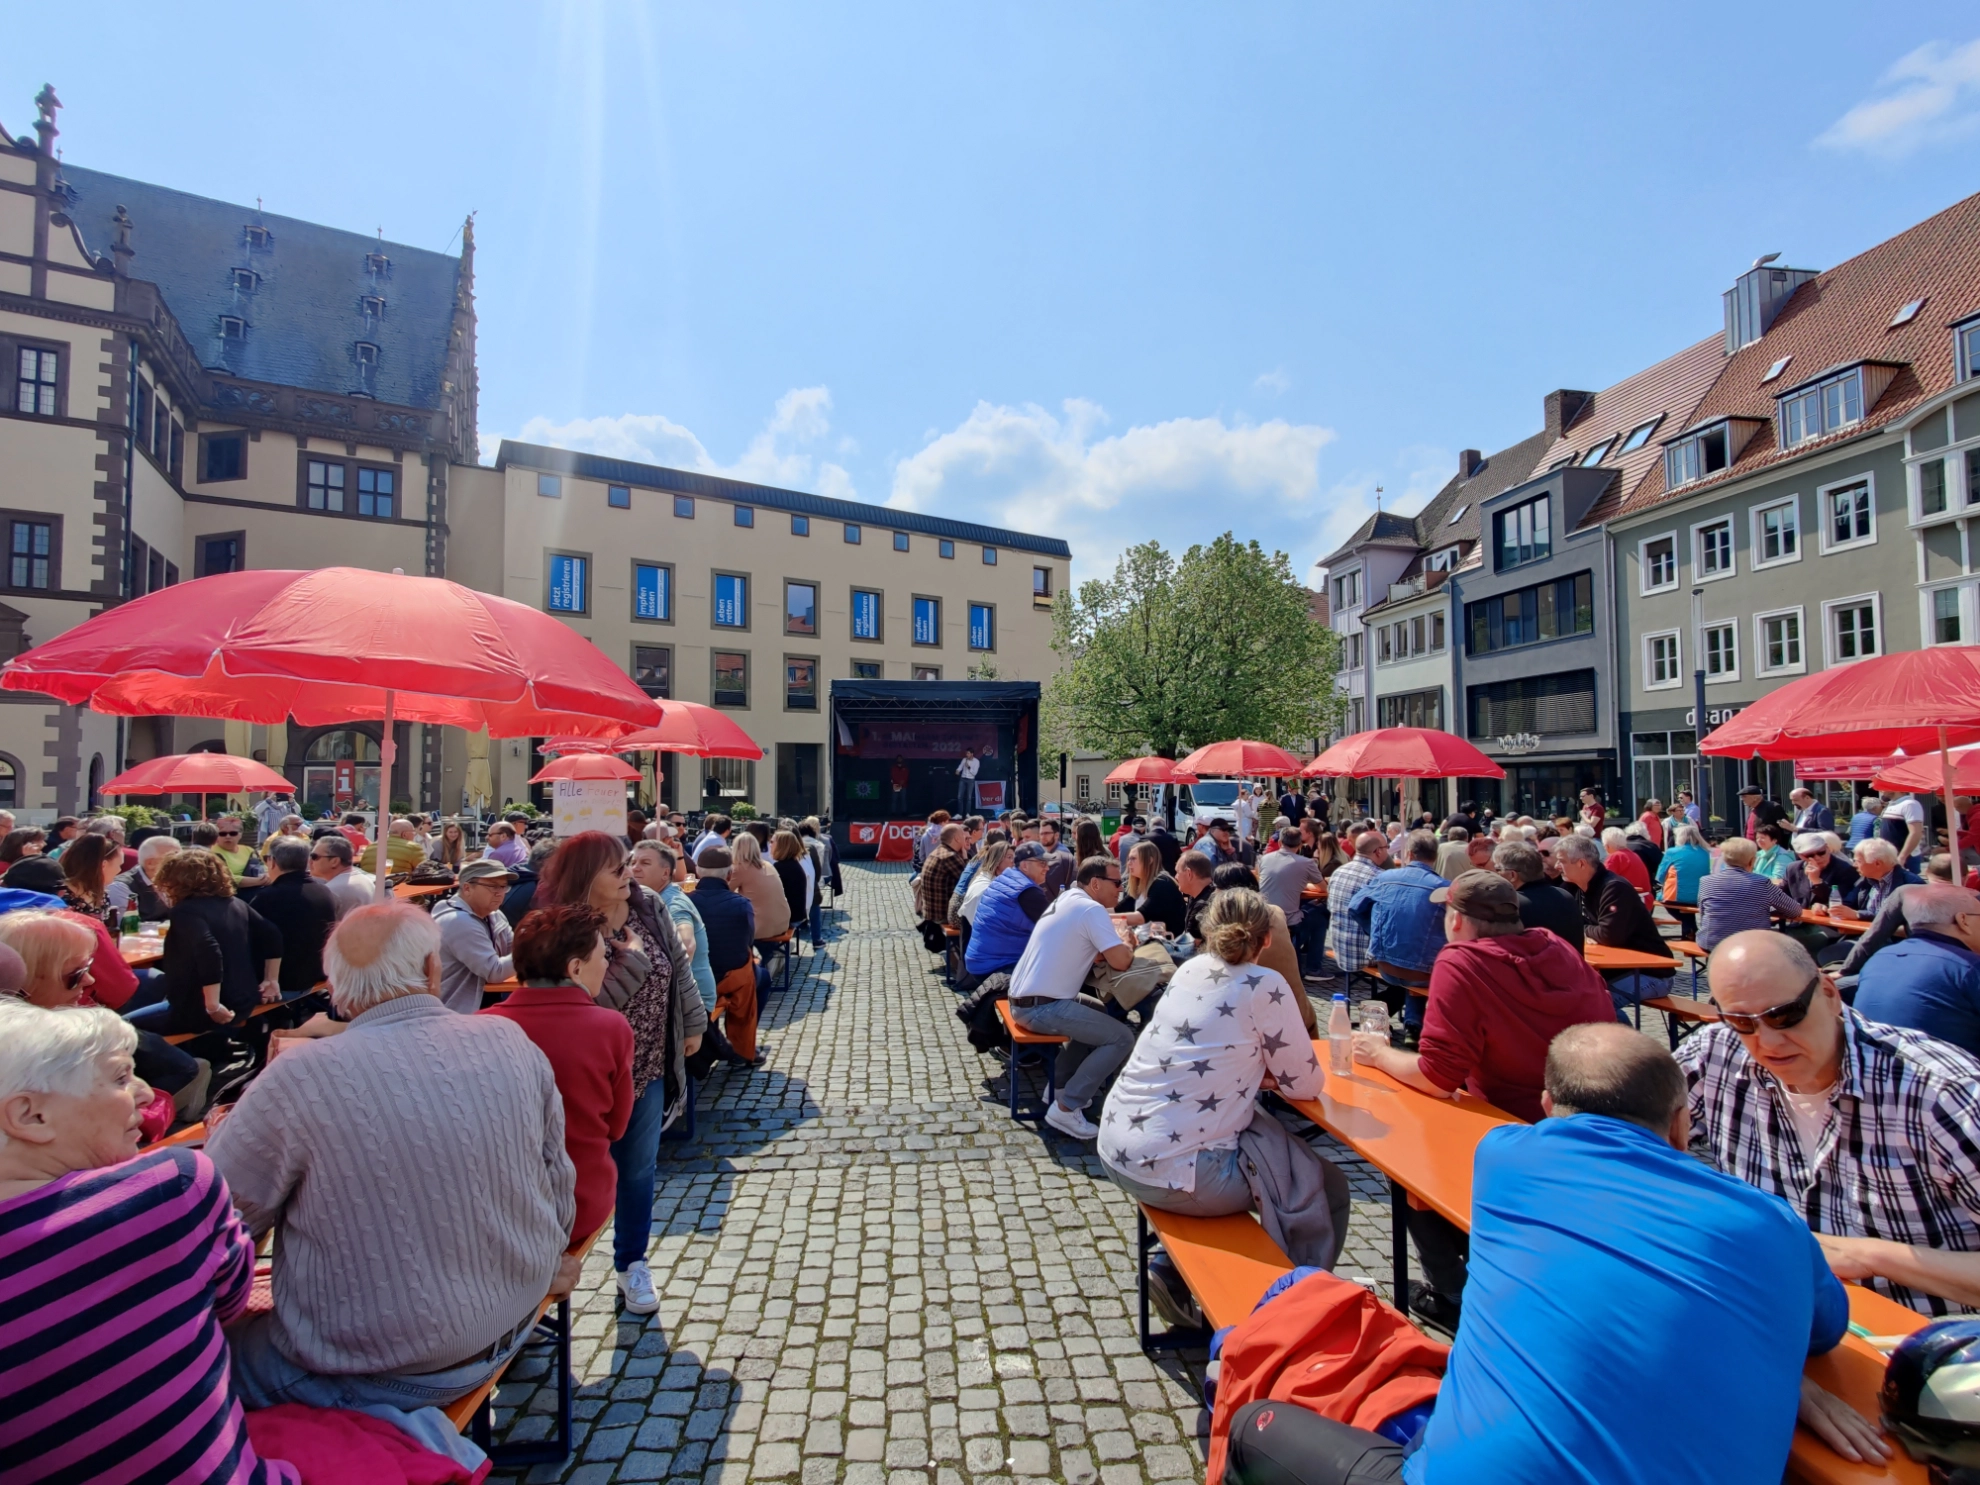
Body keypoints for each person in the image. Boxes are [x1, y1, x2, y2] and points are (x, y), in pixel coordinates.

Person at [1228, 1021, 1874, 1483]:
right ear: (1681, 1122)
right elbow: (1825, 1330)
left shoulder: (1506, 1155)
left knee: (1254, 1426)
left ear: (1544, 1106)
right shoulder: (1771, 1222)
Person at [206, 904, 578, 1408]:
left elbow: (210, 1226)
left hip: (378, 1367)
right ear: (431, 969)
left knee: (176, 1369)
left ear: (335, 987)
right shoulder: (507, 1038)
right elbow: (558, 1181)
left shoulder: (300, 1076)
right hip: (512, 1317)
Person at [0, 999, 304, 1484]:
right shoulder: (172, 1188)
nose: (145, 1093)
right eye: (122, 1078)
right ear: (31, 1116)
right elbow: (231, 1302)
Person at [1351, 870, 1614, 1327]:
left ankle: (1452, 1293)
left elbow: (1438, 1076)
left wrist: (1377, 1054)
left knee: (1409, 1163)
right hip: (1592, 1124)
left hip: (1507, 1126)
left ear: (1456, 919)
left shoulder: (1461, 961)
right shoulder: (1557, 946)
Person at [1683, 931, 1980, 1318]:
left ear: (1829, 993)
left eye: (1784, 1014)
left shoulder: (1941, 1092)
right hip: (1779, 1322)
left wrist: (1867, 1256)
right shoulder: (1716, 1052)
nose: (1768, 1042)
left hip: (1922, 1341)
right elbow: (1620, 1150)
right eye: (1742, 1022)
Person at [1100, 887, 1346, 1320]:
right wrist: (1266, 1068)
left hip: (1117, 1144)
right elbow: (1305, 1084)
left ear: (1208, 930)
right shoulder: (1264, 985)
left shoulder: (1190, 969)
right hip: (1176, 1172)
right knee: (1325, 1183)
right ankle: (1294, 1311)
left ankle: (1170, 1268)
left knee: (1256, 1133)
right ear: (1267, 939)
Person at [532, 833, 705, 1312]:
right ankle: (543, 1267)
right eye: (618, 869)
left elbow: (677, 967)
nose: (630, 874)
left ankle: (632, 1263)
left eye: (629, 864)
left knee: (638, 1169)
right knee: (565, 1172)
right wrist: (632, 963)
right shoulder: (561, 926)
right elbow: (576, 1008)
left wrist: (692, 1021)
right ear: (587, 878)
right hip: (584, 1072)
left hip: (647, 1061)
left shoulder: (647, 904)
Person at [479, 902, 634, 1251]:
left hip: (501, 1209)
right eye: (603, 956)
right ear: (576, 968)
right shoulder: (609, 1028)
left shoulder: (479, 1026)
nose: (606, 963)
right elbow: (616, 1126)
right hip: (578, 1200)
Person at [0, 909, 210, 1121]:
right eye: (76, 975)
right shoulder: (53, 1054)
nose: (89, 980)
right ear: (23, 981)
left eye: (88, 968)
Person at [1005, 856, 1138, 1141]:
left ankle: (1058, 1088)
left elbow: (1094, 951)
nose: (1121, 889)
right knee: (1122, 1038)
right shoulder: (1091, 909)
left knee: (1099, 1012)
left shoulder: (1067, 899)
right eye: (1117, 883)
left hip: (1026, 999)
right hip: (1040, 1007)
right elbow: (1121, 961)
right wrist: (1126, 940)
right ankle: (1067, 1107)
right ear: (1096, 883)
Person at [154, 848, 284, 1034]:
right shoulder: (236, 903)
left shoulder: (185, 910)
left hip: (204, 1009)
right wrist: (271, 979)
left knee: (126, 1026)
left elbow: (208, 950)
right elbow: (273, 934)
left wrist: (213, 1005)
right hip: (243, 999)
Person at [1851, 886, 1980, 1058]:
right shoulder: (1968, 967)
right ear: (1963, 920)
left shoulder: (1880, 957)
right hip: (1945, 1071)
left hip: (1871, 1065)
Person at [1553, 832, 1672, 1015]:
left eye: (1561, 861)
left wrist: (1582, 930)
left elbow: (1609, 935)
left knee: (1595, 1005)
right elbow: (1562, 923)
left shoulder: (1614, 887)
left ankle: (1623, 1034)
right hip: (1617, 971)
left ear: (1581, 863)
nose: (1556, 866)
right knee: (1571, 996)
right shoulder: (1574, 887)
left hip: (1650, 973)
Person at [1345, 830, 1446, 1035]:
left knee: (1409, 970)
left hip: (1386, 964)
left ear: (1408, 854)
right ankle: (1413, 1024)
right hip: (1422, 971)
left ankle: (1411, 1023)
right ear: (1436, 857)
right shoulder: (1444, 888)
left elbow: (1355, 907)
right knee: (1420, 967)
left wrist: (1376, 932)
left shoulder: (1385, 877)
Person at [686, 846, 764, 1069]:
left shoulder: (685, 903)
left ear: (698, 872)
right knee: (759, 978)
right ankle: (742, 1049)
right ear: (729, 874)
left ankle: (726, 1044)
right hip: (730, 979)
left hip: (694, 981)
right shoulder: (741, 904)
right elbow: (748, 941)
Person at [252, 838, 340, 998]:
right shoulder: (325, 892)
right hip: (317, 973)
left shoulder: (266, 898)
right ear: (308, 862)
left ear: (272, 862)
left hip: (280, 985)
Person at [431, 858, 517, 1013]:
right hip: (454, 1012)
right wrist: (534, 951)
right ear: (467, 888)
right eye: (493, 886)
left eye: (503, 886)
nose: (500, 892)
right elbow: (494, 972)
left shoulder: (495, 915)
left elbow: (514, 950)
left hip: (481, 1005)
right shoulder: (458, 921)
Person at [1694, 835, 1807, 952]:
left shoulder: (1706, 881)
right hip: (1752, 945)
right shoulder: (1761, 882)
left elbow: (1703, 912)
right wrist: (1767, 909)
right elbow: (1795, 910)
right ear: (1752, 860)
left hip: (1711, 943)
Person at [963, 841, 1052, 982]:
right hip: (997, 965)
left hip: (979, 959)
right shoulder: (1028, 891)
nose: (1047, 868)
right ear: (1024, 865)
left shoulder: (1006, 878)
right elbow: (1054, 927)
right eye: (1042, 863)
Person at [1491, 840, 1582, 950]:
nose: (1494, 875)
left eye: (1497, 870)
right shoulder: (1565, 896)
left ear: (1512, 875)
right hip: (1572, 961)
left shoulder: (1511, 905)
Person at [1322, 830, 1388, 982]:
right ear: (1378, 851)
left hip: (1340, 948)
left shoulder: (1338, 872)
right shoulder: (1379, 878)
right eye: (1387, 847)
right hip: (1365, 955)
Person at [1258, 827, 1326, 972]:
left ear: (1280, 842)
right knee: (1320, 917)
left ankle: (1300, 952)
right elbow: (1323, 888)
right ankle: (1313, 968)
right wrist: (1303, 883)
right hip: (1288, 919)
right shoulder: (1307, 863)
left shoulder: (1264, 859)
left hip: (1263, 915)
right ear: (1300, 845)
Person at [1839, 837, 1920, 922]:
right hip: (1863, 929)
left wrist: (1859, 915)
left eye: (1858, 861)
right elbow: (1848, 904)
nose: (1854, 865)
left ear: (1877, 863)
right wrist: (1834, 909)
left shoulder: (1911, 885)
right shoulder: (1866, 880)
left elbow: (1901, 919)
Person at [57, 833, 125, 932]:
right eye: (119, 865)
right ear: (103, 865)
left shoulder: (101, 895)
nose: (120, 870)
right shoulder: (61, 898)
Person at [1123, 839, 1187, 938]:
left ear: (1149, 860)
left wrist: (1101, 916)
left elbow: (1140, 917)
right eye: (1128, 859)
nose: (1129, 863)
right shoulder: (1140, 882)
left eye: (1133, 859)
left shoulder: (1162, 883)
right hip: (1142, 939)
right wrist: (1098, 911)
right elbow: (1119, 909)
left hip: (1162, 943)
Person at [306, 832, 374, 918]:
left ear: (334, 861)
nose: (310, 861)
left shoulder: (331, 891)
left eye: (314, 857)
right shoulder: (365, 879)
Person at [115, 832, 179, 921]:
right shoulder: (122, 887)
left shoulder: (177, 881)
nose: (181, 864)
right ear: (150, 863)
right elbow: (127, 926)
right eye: (173, 860)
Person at [916, 822, 968, 927]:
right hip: (942, 916)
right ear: (957, 838)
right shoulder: (950, 856)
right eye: (964, 836)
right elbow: (970, 881)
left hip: (931, 913)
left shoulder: (937, 852)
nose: (966, 839)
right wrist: (966, 858)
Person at [1877, 789, 1929, 871]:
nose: (1882, 791)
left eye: (1885, 788)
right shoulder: (1892, 804)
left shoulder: (1910, 804)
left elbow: (1915, 832)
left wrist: (1902, 857)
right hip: (1890, 856)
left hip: (1905, 859)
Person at [357, 818, 428, 876]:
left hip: (372, 886)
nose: (414, 835)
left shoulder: (370, 847)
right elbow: (425, 871)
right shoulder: (413, 847)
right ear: (404, 834)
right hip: (399, 886)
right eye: (413, 832)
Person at [1600, 825, 1651, 896]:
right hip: (1644, 897)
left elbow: (1603, 881)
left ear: (1607, 846)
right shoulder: (1633, 854)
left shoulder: (1615, 857)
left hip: (1628, 897)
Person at [210, 816, 263, 881]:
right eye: (223, 833)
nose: (228, 836)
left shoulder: (249, 850)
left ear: (240, 835)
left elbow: (263, 867)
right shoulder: (211, 852)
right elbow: (224, 877)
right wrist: (258, 881)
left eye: (233, 833)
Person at [955, 747, 980, 813]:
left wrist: (969, 767)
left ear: (972, 754)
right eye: (966, 753)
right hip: (963, 779)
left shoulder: (976, 761)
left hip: (970, 780)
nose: (967, 755)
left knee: (969, 798)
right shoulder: (964, 759)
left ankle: (967, 813)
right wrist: (957, 770)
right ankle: (960, 813)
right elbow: (960, 767)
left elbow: (974, 773)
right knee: (959, 797)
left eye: (968, 753)